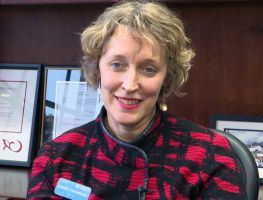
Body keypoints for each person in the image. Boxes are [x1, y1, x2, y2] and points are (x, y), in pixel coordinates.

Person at [27, 1, 247, 199]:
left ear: (166, 77)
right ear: (97, 68)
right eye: (117, 65)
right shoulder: (56, 157)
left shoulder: (211, 157)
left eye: (149, 69)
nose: (130, 84)